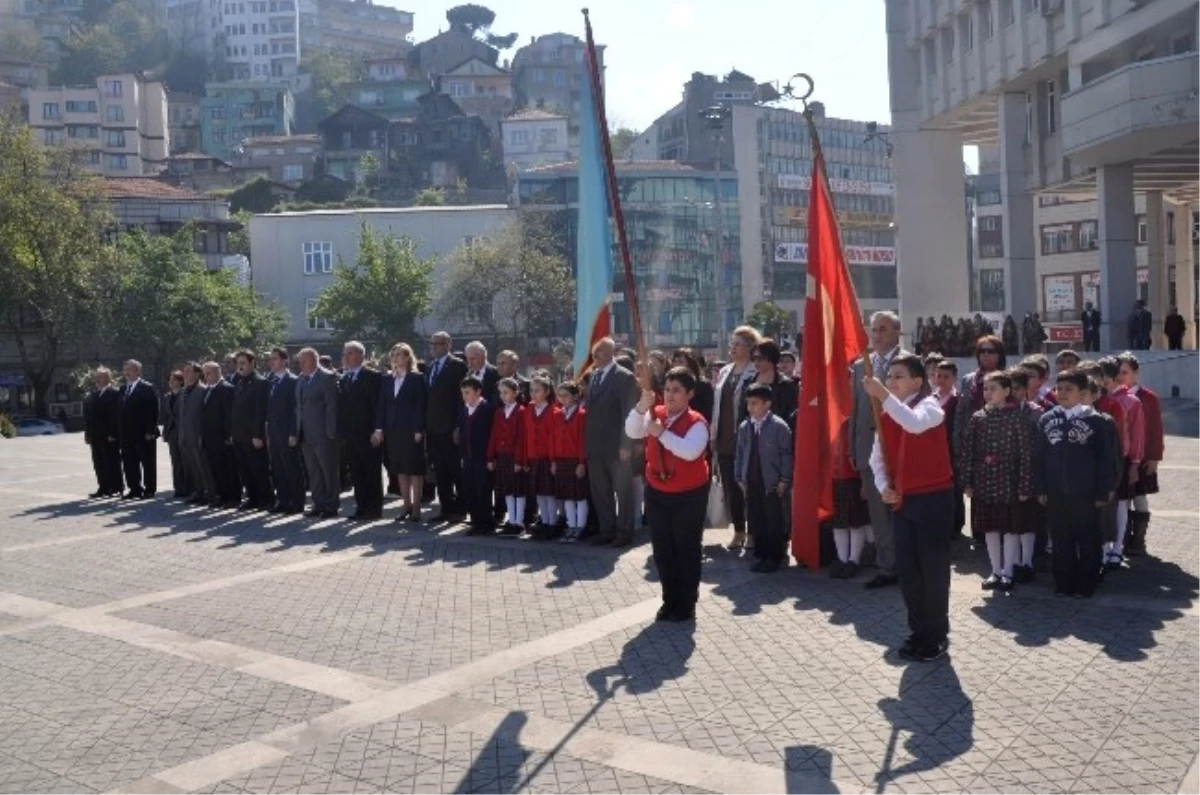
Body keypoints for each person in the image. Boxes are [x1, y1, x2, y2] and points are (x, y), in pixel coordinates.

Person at [864, 353, 955, 662]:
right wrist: (882, 488)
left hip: (933, 499)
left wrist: (883, 396)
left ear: (918, 381)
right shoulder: (887, 414)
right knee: (909, 572)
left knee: (933, 570)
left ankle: (936, 635)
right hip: (903, 501)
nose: (891, 382)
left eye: (898, 376)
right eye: (889, 377)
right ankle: (917, 631)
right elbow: (876, 459)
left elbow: (915, 425)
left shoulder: (930, 406)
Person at [625, 367, 710, 623]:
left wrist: (661, 433)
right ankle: (668, 599)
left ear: (690, 394)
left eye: (677, 391)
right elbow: (632, 431)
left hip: (689, 493)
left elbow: (690, 452)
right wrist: (641, 407)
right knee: (662, 549)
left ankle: (687, 603)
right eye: (667, 389)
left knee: (686, 548)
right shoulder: (655, 413)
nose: (670, 396)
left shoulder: (697, 422)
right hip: (658, 491)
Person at [1034, 370, 1119, 598]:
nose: (1062, 393)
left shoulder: (1097, 422)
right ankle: (1064, 584)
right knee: (1061, 540)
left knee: (1088, 539)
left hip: (1086, 493)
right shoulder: (1047, 419)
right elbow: (1039, 457)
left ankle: (1087, 584)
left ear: (1082, 393)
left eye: (1068, 389)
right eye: (1059, 389)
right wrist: (1041, 487)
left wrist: (1104, 491)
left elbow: (1107, 460)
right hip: (1055, 493)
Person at [959, 371, 1033, 594]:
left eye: (993, 388)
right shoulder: (978, 418)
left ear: (1007, 391)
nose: (988, 393)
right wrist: (967, 481)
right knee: (990, 528)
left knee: (1010, 529)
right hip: (984, 481)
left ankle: (1009, 572)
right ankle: (995, 570)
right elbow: (968, 452)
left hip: (1009, 480)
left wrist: (1024, 486)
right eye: (985, 389)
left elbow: (1026, 455)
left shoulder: (1017, 417)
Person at [850, 311, 903, 590]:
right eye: (874, 329)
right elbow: (856, 410)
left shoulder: (907, 364)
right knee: (879, 514)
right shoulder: (861, 366)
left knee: (902, 510)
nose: (877, 334)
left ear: (896, 332)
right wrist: (853, 449)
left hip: (897, 448)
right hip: (867, 450)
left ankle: (907, 564)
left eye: (883, 329)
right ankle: (886, 566)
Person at [584, 337, 640, 547]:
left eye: (597, 354)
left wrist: (627, 444)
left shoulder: (624, 377)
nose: (594, 358)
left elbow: (629, 412)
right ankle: (606, 529)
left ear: (608, 354)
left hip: (616, 446)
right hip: (595, 446)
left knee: (622, 490)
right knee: (600, 490)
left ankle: (625, 532)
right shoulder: (594, 376)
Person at [712, 326, 762, 551]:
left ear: (750, 347)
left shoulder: (755, 372)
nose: (733, 347)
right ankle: (739, 531)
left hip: (746, 438)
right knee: (731, 487)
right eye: (732, 343)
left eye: (738, 343)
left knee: (748, 487)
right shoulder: (725, 371)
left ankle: (753, 532)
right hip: (723, 438)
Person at [735, 383, 793, 574]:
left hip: (772, 481)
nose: (751, 407)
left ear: (767, 404)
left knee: (773, 520)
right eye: (748, 403)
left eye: (755, 403)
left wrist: (785, 479)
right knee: (756, 518)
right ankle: (760, 554)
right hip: (751, 479)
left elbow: (786, 454)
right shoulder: (745, 426)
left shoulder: (779, 426)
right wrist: (739, 475)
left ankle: (774, 556)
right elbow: (741, 452)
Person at [373, 343, 427, 523]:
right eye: (393, 355)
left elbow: (420, 405)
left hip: (411, 430)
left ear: (407, 357)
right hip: (392, 430)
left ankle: (417, 508)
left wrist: (419, 428)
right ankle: (406, 505)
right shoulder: (387, 379)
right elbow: (382, 404)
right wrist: (379, 429)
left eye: (399, 355)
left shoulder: (417, 378)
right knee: (400, 469)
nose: (395, 358)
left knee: (414, 469)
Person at [1117, 352, 1162, 557]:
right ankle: (1124, 536)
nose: (1121, 376)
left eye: (1125, 372)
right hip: (1124, 457)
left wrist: (1154, 457)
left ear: (1136, 373)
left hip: (1143, 457)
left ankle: (1139, 538)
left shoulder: (1148, 397)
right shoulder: (1116, 397)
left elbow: (1156, 429)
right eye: (1119, 372)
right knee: (1124, 497)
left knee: (1140, 496)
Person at [337, 341, 383, 521]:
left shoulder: (372, 376)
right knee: (356, 472)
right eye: (344, 353)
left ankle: (374, 509)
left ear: (361, 356)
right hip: (350, 434)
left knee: (371, 471)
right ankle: (361, 507)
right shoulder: (344, 377)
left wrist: (377, 430)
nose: (345, 357)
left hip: (368, 433)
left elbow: (376, 406)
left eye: (350, 353)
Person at [425, 332, 468, 522]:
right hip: (434, 428)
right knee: (440, 471)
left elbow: (461, 400)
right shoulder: (431, 367)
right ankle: (446, 508)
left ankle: (460, 508)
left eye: (438, 344)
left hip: (450, 428)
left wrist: (458, 426)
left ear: (448, 344)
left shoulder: (457, 366)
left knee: (455, 471)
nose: (433, 347)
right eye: (431, 344)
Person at [1009, 368, 1046, 579]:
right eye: (1010, 388)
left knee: (1030, 519)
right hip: (1007, 475)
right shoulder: (1000, 411)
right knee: (1012, 521)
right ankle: (1013, 561)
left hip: (1030, 473)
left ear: (1025, 389)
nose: (1013, 393)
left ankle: (1029, 561)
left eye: (1017, 388)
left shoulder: (1037, 413)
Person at [294, 347, 340, 519]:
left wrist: (331, 431)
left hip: (324, 434)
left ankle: (331, 505)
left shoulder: (327, 377)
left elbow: (331, 406)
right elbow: (298, 407)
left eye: (304, 361)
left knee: (328, 471)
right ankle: (318, 503)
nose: (301, 365)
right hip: (305, 434)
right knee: (313, 471)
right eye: (300, 362)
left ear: (315, 359)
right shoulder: (301, 379)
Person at [828, 415, 870, 579]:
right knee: (839, 523)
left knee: (855, 522)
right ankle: (842, 560)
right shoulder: (831, 420)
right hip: (834, 478)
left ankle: (854, 560)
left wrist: (864, 482)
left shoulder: (855, 422)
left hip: (853, 478)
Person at [231, 350, 272, 511]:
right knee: (245, 470)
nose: (240, 367)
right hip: (239, 434)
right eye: (238, 363)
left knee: (259, 469)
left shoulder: (260, 382)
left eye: (243, 363)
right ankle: (252, 498)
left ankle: (266, 499)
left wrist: (257, 434)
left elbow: (259, 411)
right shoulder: (239, 382)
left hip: (253, 435)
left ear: (252, 363)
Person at [265, 347, 303, 515]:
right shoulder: (271, 381)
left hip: (287, 432)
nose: (271, 362)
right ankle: (283, 499)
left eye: (275, 359)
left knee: (291, 467)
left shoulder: (292, 380)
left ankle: (296, 502)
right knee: (278, 468)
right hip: (273, 431)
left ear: (284, 361)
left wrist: (293, 433)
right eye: (270, 359)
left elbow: (295, 409)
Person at [487, 377, 528, 536]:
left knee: (518, 490)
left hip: (515, 457)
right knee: (507, 491)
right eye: (501, 393)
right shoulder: (499, 412)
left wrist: (519, 460)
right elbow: (494, 435)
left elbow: (521, 438)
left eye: (506, 392)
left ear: (515, 393)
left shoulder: (521, 411)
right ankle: (511, 521)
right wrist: (491, 457)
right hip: (502, 456)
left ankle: (519, 522)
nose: (503, 396)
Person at [521, 375, 559, 540]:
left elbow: (554, 438)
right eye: (531, 390)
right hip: (533, 457)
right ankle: (543, 521)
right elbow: (526, 434)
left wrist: (553, 460)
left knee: (549, 492)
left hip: (547, 457)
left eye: (537, 390)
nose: (533, 394)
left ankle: (552, 523)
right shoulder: (528, 408)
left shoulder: (554, 411)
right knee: (538, 492)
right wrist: (526, 458)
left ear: (547, 392)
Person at [458, 375, 496, 535]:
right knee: (471, 489)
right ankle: (476, 520)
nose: (465, 396)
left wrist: (490, 457)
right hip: (468, 456)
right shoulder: (463, 410)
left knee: (483, 490)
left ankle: (486, 522)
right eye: (463, 393)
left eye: (468, 392)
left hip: (483, 457)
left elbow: (491, 435)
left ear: (478, 391)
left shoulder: (487, 409)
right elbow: (462, 434)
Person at [552, 381, 589, 543]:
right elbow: (553, 439)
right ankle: (570, 525)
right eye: (560, 396)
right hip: (561, 460)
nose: (562, 399)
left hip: (575, 460)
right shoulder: (557, 414)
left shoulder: (582, 414)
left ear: (575, 396)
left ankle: (580, 527)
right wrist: (553, 460)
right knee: (567, 496)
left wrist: (582, 462)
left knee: (579, 496)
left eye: (566, 395)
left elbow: (583, 441)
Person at [117, 359, 160, 500]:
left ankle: (149, 489)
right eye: (125, 370)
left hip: (143, 433)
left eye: (129, 369)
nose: (126, 372)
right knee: (129, 462)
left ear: (138, 371)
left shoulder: (147, 388)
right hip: (126, 434)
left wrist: (150, 430)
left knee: (147, 462)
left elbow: (152, 411)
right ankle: (134, 488)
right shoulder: (123, 389)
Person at [200, 361, 238, 508]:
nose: (206, 376)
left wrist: (228, 435)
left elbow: (229, 414)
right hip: (210, 437)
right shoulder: (207, 390)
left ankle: (232, 497)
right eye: (205, 374)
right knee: (215, 468)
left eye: (209, 373)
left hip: (223, 437)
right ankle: (221, 496)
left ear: (217, 372)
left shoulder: (226, 389)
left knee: (228, 469)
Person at [83, 367, 123, 498]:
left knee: (111, 461)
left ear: (108, 378)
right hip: (95, 435)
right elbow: (89, 416)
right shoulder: (93, 395)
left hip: (109, 435)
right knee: (98, 462)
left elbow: (115, 415)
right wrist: (87, 434)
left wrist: (113, 433)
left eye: (101, 377)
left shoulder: (115, 393)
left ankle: (116, 486)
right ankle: (103, 487)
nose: (98, 379)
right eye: (97, 377)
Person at [177, 363, 213, 506]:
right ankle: (198, 492)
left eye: (188, 371)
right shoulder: (184, 391)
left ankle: (209, 493)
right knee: (192, 467)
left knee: (203, 467)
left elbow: (205, 416)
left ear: (198, 374)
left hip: (198, 436)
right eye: (184, 371)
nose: (185, 374)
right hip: (185, 436)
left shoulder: (203, 390)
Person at [747, 339, 799, 430]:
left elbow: (791, 417)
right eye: (754, 358)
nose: (756, 362)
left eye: (761, 358)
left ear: (771, 359)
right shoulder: (748, 383)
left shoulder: (786, 385)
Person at [162, 371, 190, 500]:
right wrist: (165, 432)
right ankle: (178, 488)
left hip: (183, 431)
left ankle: (188, 488)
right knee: (176, 461)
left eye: (174, 380)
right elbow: (166, 417)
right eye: (169, 380)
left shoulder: (185, 394)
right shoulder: (167, 397)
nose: (171, 383)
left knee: (186, 461)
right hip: (172, 433)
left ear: (180, 381)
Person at [673, 348, 714, 423]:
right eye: (675, 361)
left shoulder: (703, 385)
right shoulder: (672, 385)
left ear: (690, 364)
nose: (676, 365)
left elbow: (708, 413)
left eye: (680, 362)